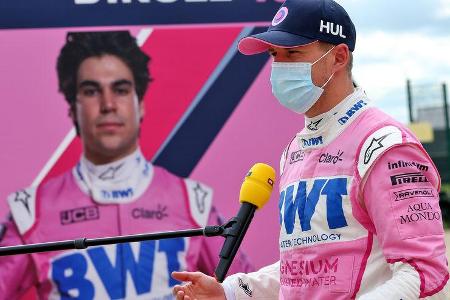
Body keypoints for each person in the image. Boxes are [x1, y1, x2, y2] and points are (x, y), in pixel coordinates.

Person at [171, 0, 450, 299]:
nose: (279, 66)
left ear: (339, 57)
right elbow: (303, 269)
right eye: (274, 55)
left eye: (292, 53)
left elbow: (424, 271)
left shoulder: (385, 145)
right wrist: (230, 291)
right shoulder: (296, 149)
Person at [0, 31, 252, 300]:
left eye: (120, 90)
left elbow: (248, 291)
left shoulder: (193, 202)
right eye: (91, 91)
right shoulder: (32, 211)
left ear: (140, 104)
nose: (108, 105)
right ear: (73, 108)